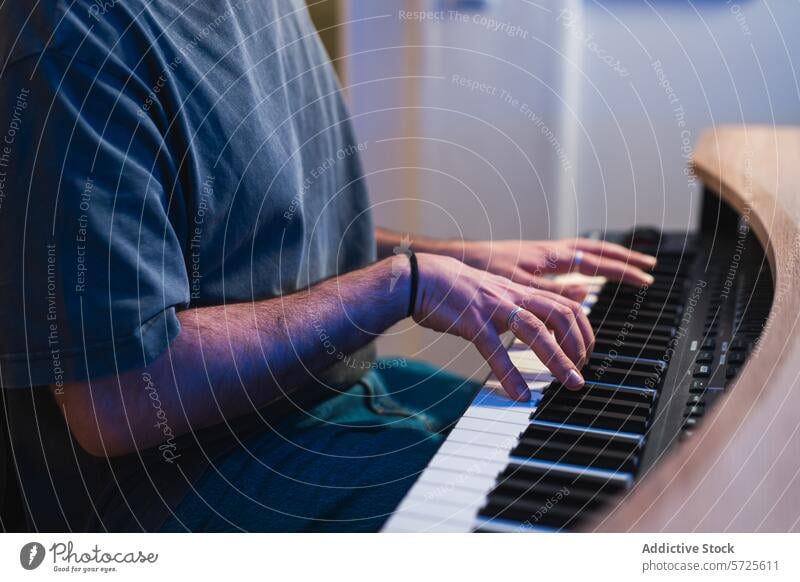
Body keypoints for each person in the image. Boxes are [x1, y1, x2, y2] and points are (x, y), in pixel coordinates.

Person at [0, 0, 655, 532]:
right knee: (575, 516)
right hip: (174, 493)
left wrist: (448, 260)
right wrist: (400, 284)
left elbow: (271, 238)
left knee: (602, 437)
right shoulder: (74, 36)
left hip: (330, 400)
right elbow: (116, 400)